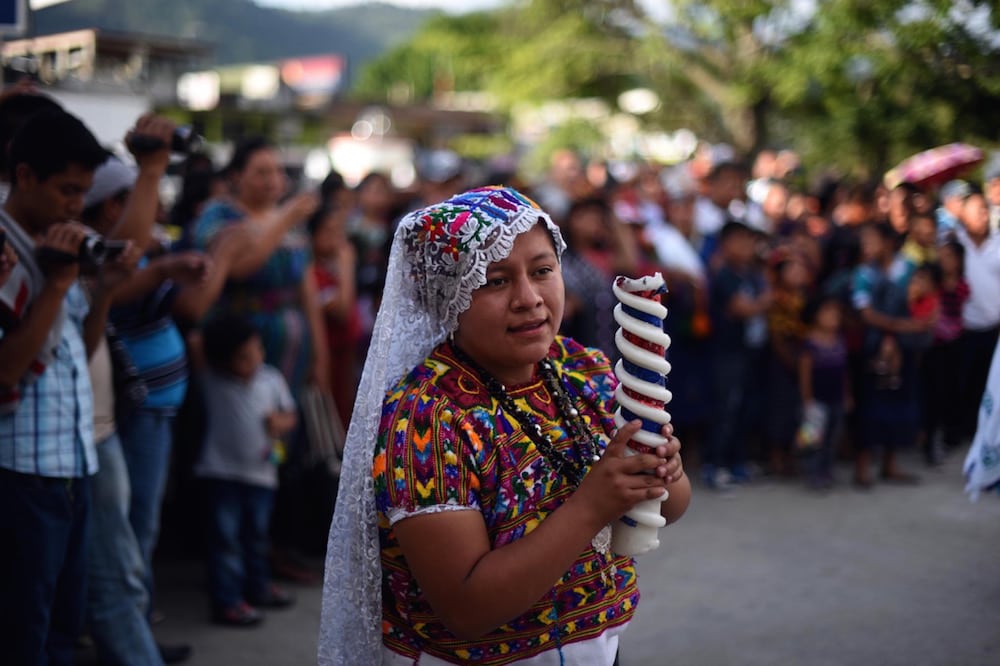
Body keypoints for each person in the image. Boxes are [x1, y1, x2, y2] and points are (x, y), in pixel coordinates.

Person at [319, 186, 690, 665]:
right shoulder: (426, 418)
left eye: (542, 271)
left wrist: (666, 470)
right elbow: (467, 607)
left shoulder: (586, 370)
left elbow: (672, 507)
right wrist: (591, 505)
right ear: (447, 294)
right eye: (495, 281)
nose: (528, 298)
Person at [0, 108, 112, 665]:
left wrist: (103, 289)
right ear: (24, 176)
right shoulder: (5, 251)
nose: (77, 206)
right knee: (25, 629)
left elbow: (79, 352)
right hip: (20, 469)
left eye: (83, 192)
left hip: (71, 460)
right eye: (68, 191)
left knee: (63, 626)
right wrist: (59, 282)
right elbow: (4, 371)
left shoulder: (54, 246)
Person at [195, 314, 298, 626]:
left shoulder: (271, 379)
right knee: (226, 540)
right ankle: (228, 600)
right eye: (243, 356)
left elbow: (290, 415)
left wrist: (279, 423)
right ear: (223, 361)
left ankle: (259, 586)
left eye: (257, 351)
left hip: (261, 476)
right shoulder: (213, 381)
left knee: (257, 537)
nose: (254, 359)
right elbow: (195, 343)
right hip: (221, 473)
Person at [798, 295, 850, 490]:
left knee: (832, 437)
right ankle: (812, 471)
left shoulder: (839, 341)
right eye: (828, 312)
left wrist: (846, 395)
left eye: (836, 313)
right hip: (816, 401)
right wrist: (807, 400)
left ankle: (826, 470)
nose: (833, 316)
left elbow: (844, 372)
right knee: (811, 439)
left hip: (835, 398)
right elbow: (805, 374)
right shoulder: (810, 343)